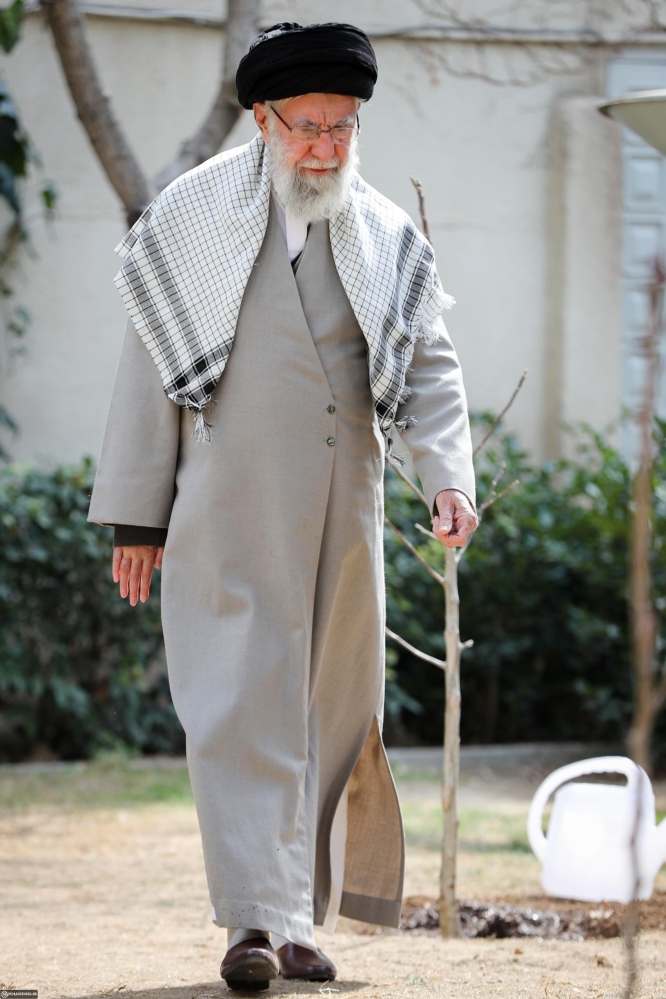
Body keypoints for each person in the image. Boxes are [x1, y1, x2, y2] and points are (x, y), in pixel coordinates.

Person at [88, 20, 477, 992]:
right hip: (225, 506)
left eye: (343, 127)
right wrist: (138, 516)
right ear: (263, 120)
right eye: (309, 126)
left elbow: (430, 366)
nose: (326, 148)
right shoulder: (191, 214)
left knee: (331, 713)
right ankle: (250, 926)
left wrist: (448, 474)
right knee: (237, 709)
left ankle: (302, 921)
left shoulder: (386, 233)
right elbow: (147, 366)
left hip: (346, 513)